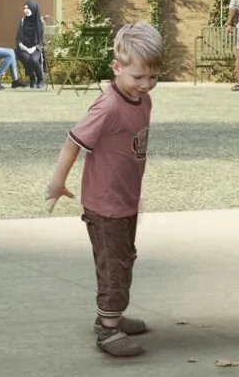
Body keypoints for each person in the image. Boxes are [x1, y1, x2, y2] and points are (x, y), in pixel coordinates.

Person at [41, 20, 162, 357]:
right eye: (138, 77)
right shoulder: (107, 107)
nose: (146, 85)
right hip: (105, 204)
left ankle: (113, 315)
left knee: (124, 259)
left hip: (125, 199)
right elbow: (73, 142)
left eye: (153, 77)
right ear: (117, 68)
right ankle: (108, 330)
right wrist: (57, 182)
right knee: (113, 264)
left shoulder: (142, 101)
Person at [13, 0, 48, 86]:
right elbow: (18, 38)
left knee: (33, 60)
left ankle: (40, 79)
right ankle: (32, 78)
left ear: (33, 8)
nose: (26, 10)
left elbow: (42, 41)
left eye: (28, 8)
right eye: (24, 8)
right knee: (27, 58)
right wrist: (23, 46)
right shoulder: (22, 21)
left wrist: (34, 48)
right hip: (23, 48)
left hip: (36, 48)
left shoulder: (41, 23)